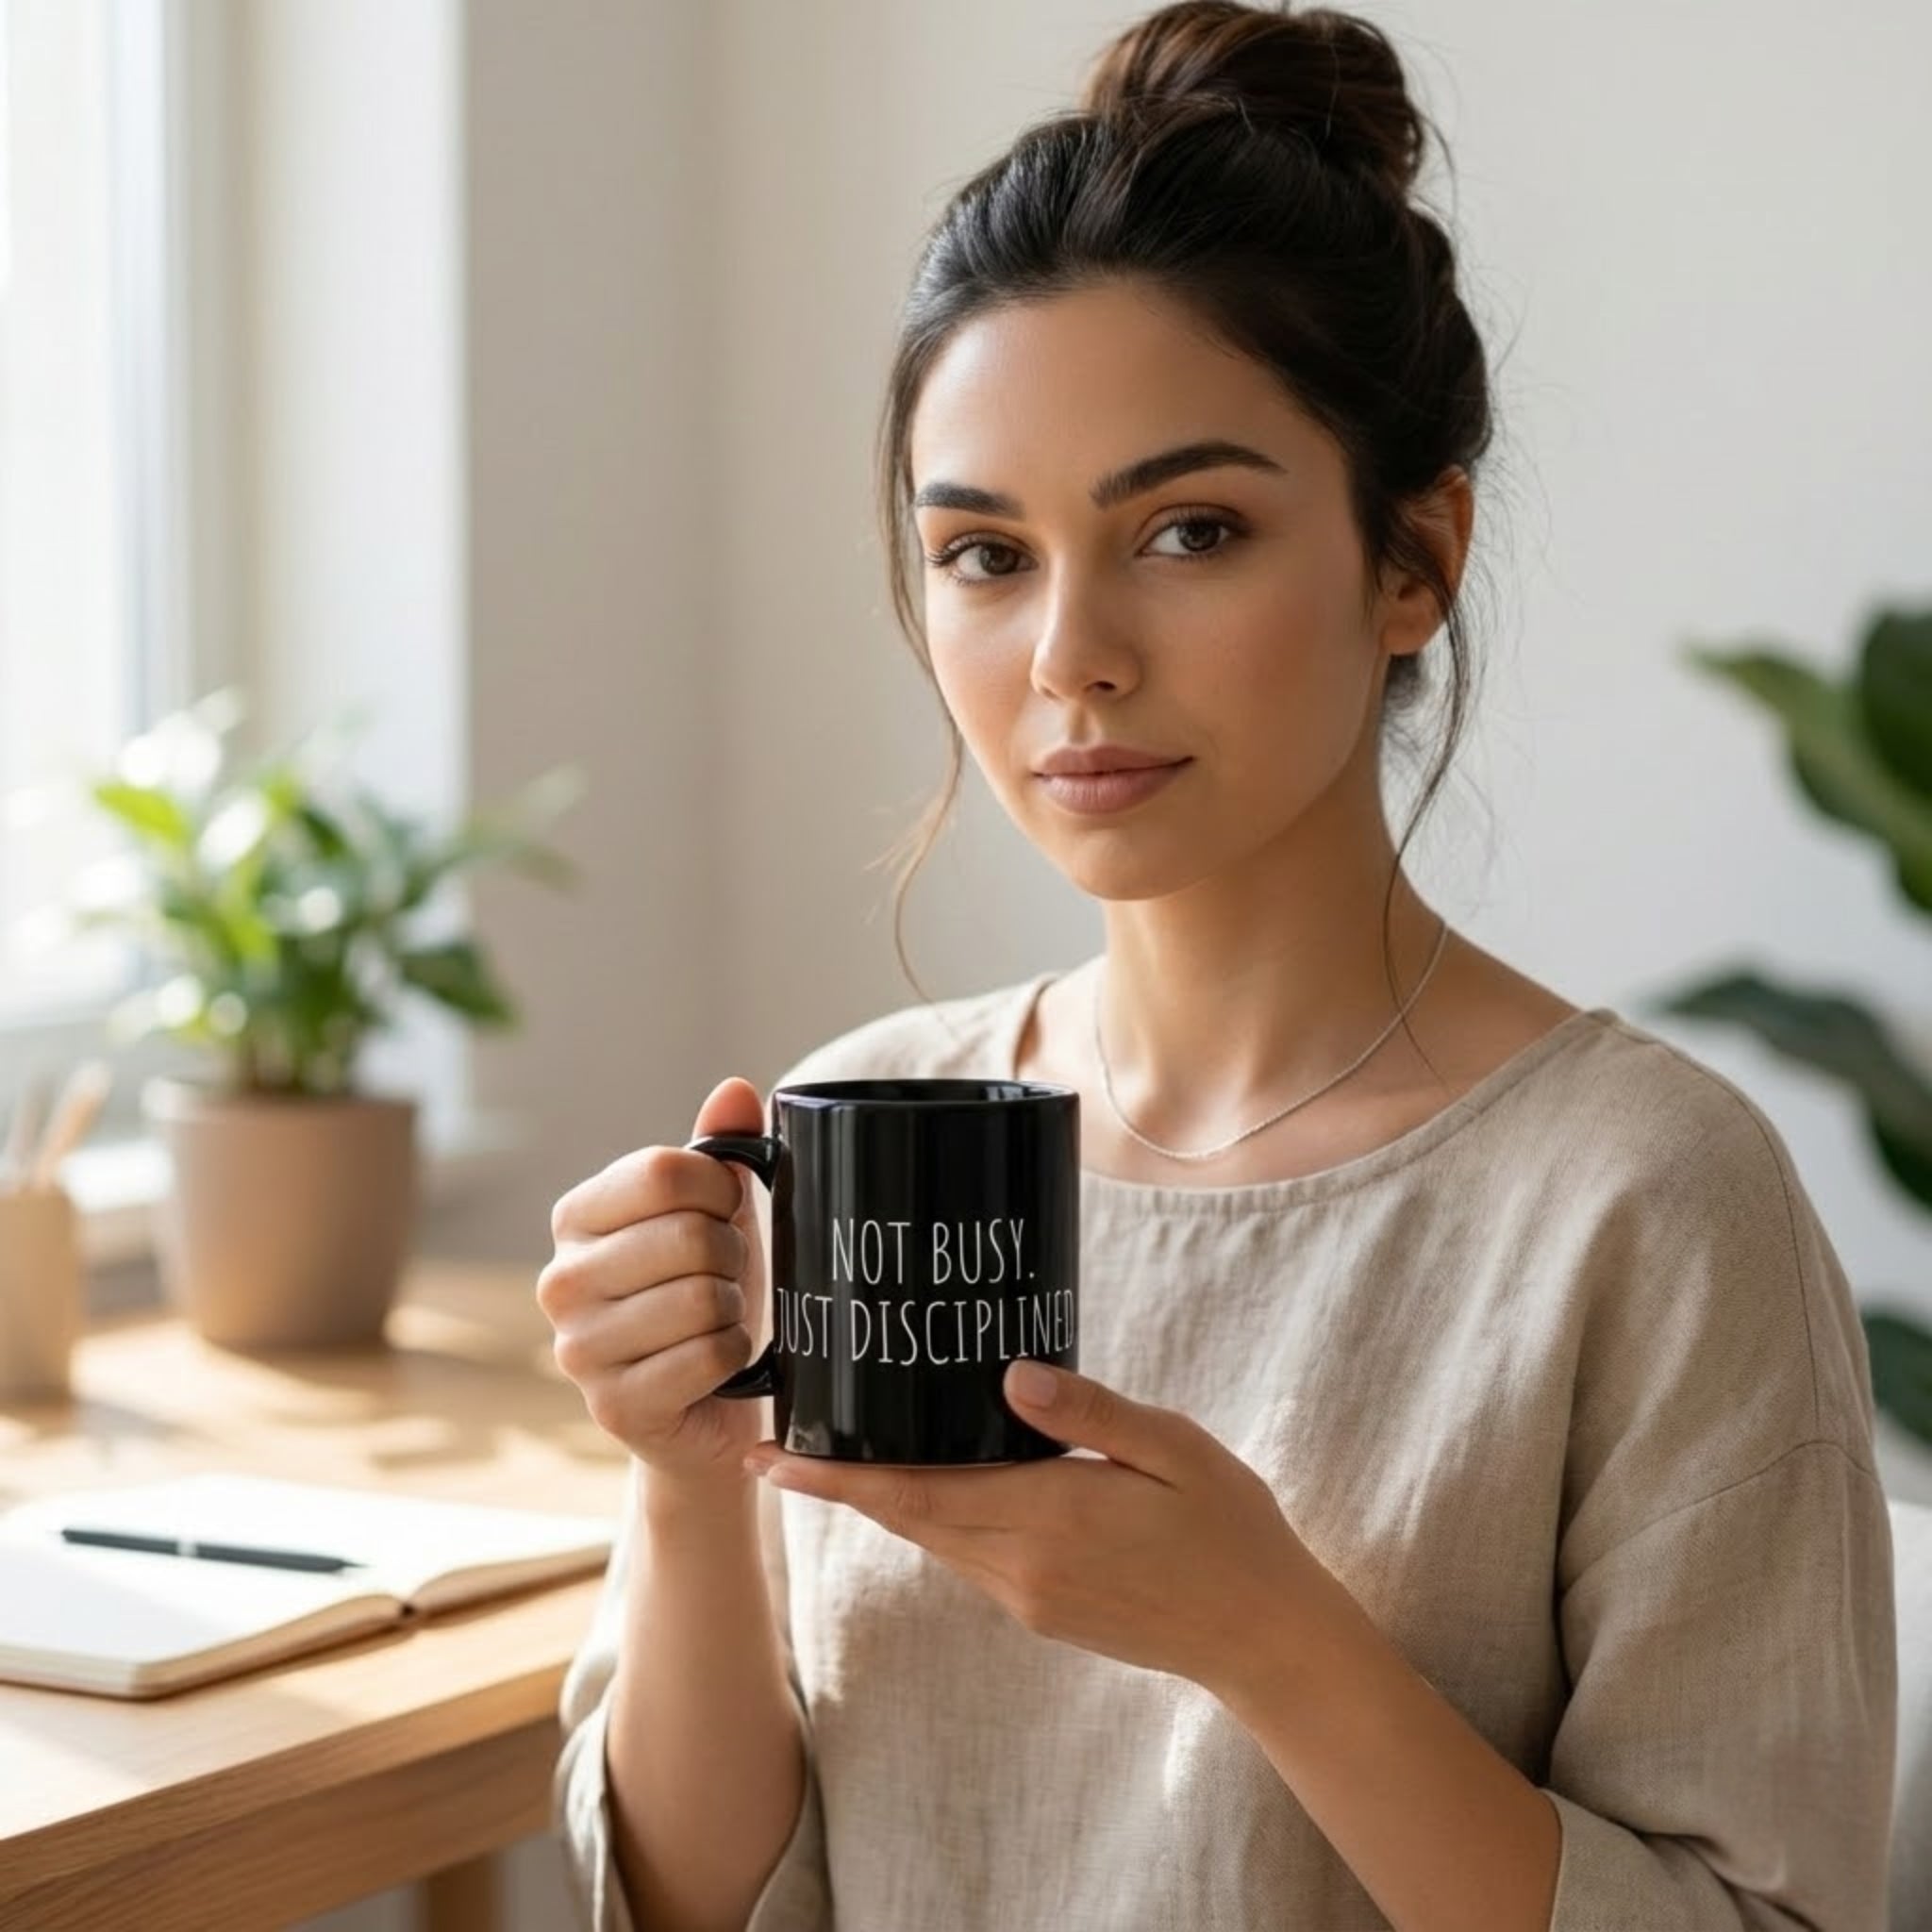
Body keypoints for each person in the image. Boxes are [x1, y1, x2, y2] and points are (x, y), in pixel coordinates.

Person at [540, 4, 1898, 1927]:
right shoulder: (866, 1127)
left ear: (1410, 557)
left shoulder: (1646, 1203)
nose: (1067, 655)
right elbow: (690, 1903)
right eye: (985, 555)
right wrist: (683, 1478)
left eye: (1187, 530)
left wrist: (1270, 1641)